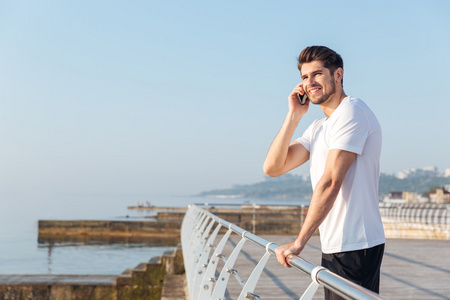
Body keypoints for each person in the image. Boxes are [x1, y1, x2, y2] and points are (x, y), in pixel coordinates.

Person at [263, 46, 385, 299]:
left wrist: (299, 242)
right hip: (336, 245)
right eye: (305, 77)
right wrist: (293, 116)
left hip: (356, 244)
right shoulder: (319, 127)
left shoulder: (352, 112)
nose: (310, 83)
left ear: (338, 75)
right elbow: (273, 168)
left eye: (317, 74)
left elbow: (330, 181)